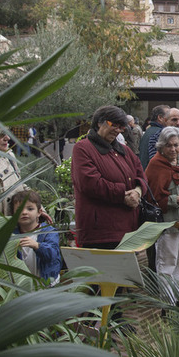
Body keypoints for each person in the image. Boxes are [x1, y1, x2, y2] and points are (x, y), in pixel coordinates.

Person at [72, 105, 148, 249]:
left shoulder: (124, 150)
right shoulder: (83, 148)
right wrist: (123, 195)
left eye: (121, 127)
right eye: (114, 125)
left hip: (128, 229)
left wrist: (137, 191)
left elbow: (141, 174)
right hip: (100, 231)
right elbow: (90, 183)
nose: (118, 130)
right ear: (99, 123)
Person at [146, 126, 179, 301]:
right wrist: (178, 199)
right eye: (169, 145)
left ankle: (175, 297)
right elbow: (153, 198)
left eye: (176, 145)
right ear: (161, 146)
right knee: (167, 262)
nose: (173, 149)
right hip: (167, 223)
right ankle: (166, 302)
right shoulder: (155, 165)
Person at [10, 188, 62, 285]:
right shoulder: (12, 236)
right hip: (22, 286)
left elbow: (53, 254)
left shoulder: (49, 232)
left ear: (39, 212)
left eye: (30, 209)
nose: (24, 212)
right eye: (19, 209)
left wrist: (37, 246)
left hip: (47, 284)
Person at [139, 104, 170, 168]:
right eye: (170, 117)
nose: (178, 123)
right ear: (160, 118)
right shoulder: (160, 133)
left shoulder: (148, 131)